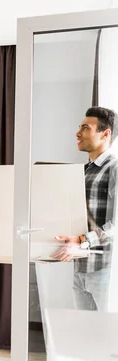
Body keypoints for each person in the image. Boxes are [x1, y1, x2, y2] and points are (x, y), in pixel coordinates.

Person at [51, 107, 117, 311]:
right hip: (80, 268)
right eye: (79, 127)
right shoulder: (83, 171)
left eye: (85, 128)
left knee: (109, 338)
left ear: (105, 134)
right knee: (86, 335)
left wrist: (82, 241)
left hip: (105, 269)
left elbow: (115, 225)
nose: (77, 133)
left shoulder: (114, 168)